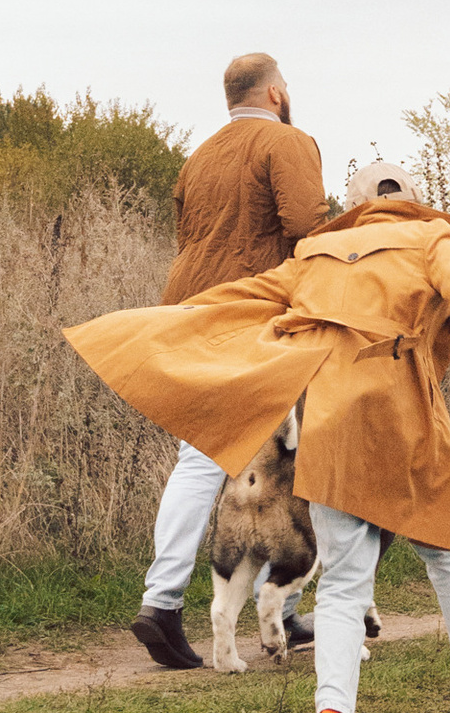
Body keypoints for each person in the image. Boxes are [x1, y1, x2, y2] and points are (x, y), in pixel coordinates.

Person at [68, 156, 450, 713]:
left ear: (352, 205)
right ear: (410, 197)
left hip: (332, 427)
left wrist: (149, 329)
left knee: (341, 583)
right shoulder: (428, 235)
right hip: (405, 418)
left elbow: (232, 301)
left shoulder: (316, 253)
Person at [127, 50, 328, 669]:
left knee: (223, 456)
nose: (288, 93)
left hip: (188, 310)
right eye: (286, 85)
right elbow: (306, 223)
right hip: (252, 314)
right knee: (281, 456)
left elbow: (188, 235)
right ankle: (169, 604)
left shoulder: (200, 155)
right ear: (273, 94)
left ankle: (242, 608)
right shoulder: (287, 143)